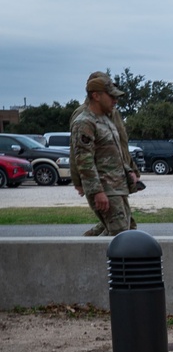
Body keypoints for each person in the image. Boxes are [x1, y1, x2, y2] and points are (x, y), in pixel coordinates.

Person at [70, 72, 136, 236]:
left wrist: (129, 171)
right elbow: (83, 161)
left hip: (118, 187)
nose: (115, 100)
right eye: (111, 96)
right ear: (96, 96)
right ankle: (87, 255)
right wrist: (97, 191)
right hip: (105, 189)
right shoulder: (84, 122)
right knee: (122, 236)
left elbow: (117, 151)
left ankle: (86, 249)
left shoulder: (106, 119)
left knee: (127, 229)